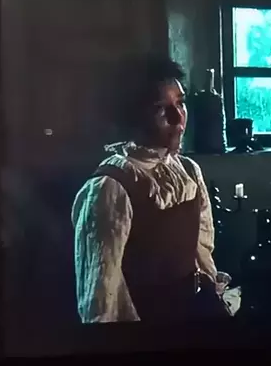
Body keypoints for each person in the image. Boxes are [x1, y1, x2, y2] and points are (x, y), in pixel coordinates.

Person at [72, 55, 233, 323]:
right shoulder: (110, 187)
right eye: (161, 108)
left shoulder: (188, 171)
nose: (177, 117)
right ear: (134, 116)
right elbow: (102, 298)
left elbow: (201, 253)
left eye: (180, 103)